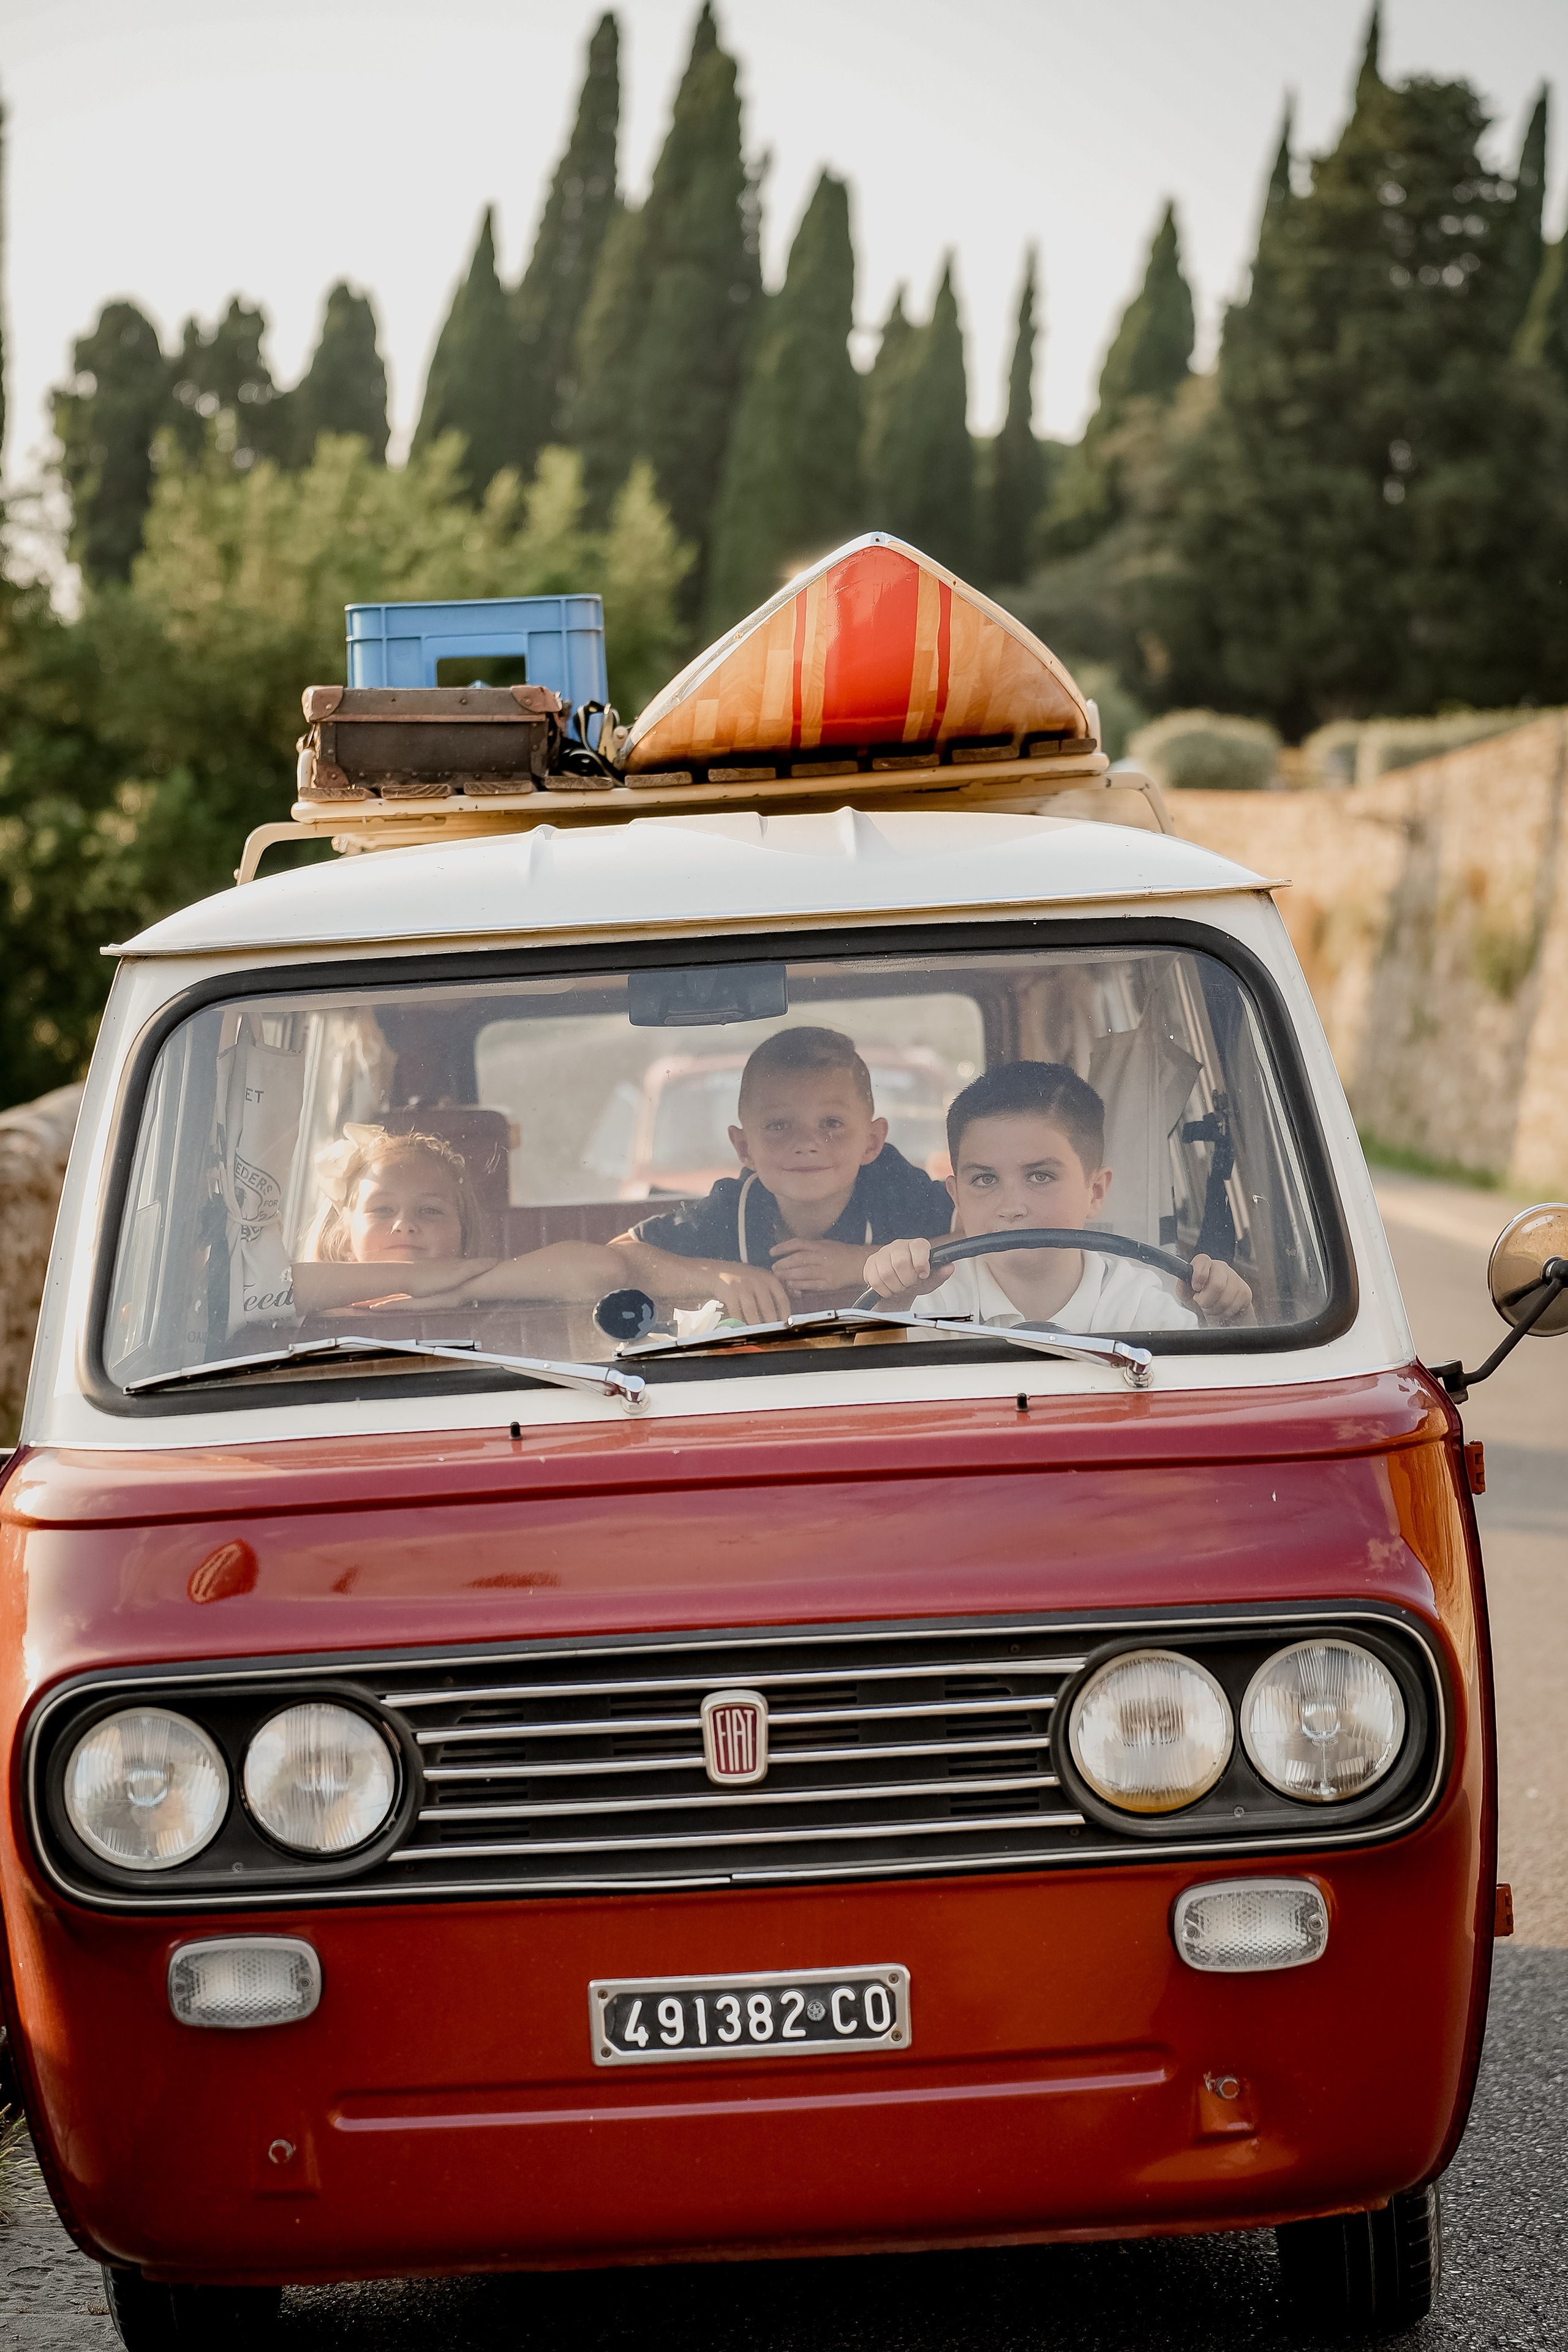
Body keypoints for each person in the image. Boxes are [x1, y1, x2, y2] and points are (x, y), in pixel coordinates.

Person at [860, 1060, 1253, 1332]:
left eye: (1040, 1176)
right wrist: (895, 1300)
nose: (1012, 1207)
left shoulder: (1136, 1303)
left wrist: (1230, 1315)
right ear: (956, 1196)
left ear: (1095, 1191)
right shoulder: (930, 1302)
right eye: (984, 1180)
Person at [612, 1027, 954, 1324]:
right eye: (779, 1126)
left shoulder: (897, 1190)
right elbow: (595, 1263)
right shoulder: (732, 1211)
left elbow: (989, 1238)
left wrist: (862, 1264)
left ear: (872, 1141)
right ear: (745, 1148)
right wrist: (715, 1277)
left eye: (831, 1124)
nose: (807, 1144)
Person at [290, 1125, 621, 1314]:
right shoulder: (314, 1307)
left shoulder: (487, 1294)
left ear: (463, 1237)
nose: (404, 1224)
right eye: (382, 1210)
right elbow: (258, 1293)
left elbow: (605, 1269)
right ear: (345, 1238)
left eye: (430, 1210)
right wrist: (408, 1279)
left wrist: (460, 1289)